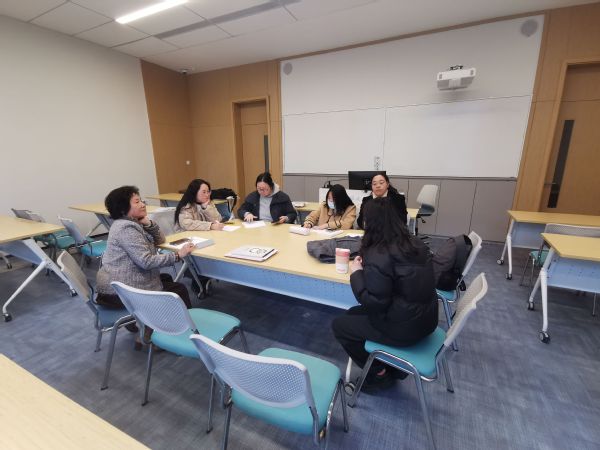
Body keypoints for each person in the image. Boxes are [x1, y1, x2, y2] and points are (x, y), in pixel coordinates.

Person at [332, 197, 438, 392]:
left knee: (339, 326)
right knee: (351, 314)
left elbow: (372, 302)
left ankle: (378, 373)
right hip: (426, 320)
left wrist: (356, 273)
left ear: (370, 222)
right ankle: (393, 366)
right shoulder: (415, 243)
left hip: (404, 329)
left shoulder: (379, 252)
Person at [95, 186, 194, 348]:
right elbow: (146, 261)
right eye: (137, 202)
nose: (142, 204)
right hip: (120, 292)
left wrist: (148, 223)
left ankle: (147, 325)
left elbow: (160, 240)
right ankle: (167, 335)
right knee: (178, 290)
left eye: (141, 200)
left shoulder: (128, 223)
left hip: (117, 283)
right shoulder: (126, 229)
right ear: (123, 208)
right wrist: (177, 255)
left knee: (166, 278)